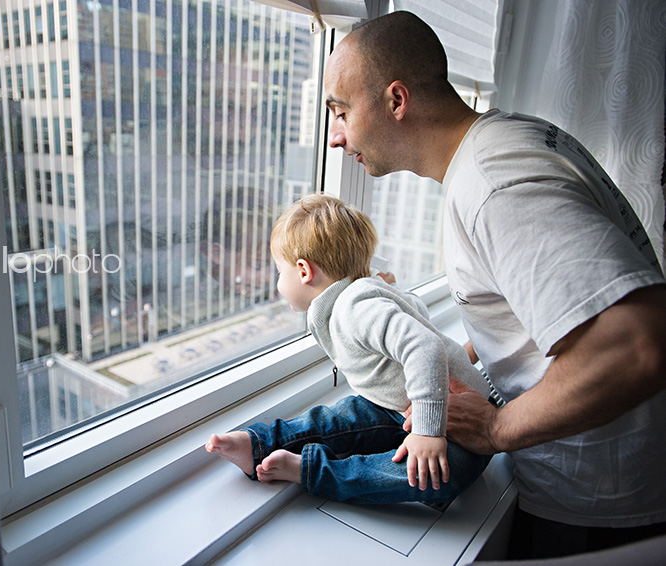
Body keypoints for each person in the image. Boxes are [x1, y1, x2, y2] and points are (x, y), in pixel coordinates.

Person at [323, 10, 666, 558]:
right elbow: (534, 300)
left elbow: (634, 345)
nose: (336, 137)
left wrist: (498, 429)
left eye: (340, 112)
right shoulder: (501, 146)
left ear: (395, 100)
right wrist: (453, 361)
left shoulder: (496, 183)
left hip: (599, 504)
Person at [206, 194, 493, 504]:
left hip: (459, 429)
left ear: (304, 271)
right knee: (340, 417)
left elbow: (425, 345)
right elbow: (417, 311)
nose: (278, 281)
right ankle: (259, 444)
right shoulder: (364, 294)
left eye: (280, 272)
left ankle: (312, 471)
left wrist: (427, 431)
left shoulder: (355, 308)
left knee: (441, 476)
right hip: (397, 407)